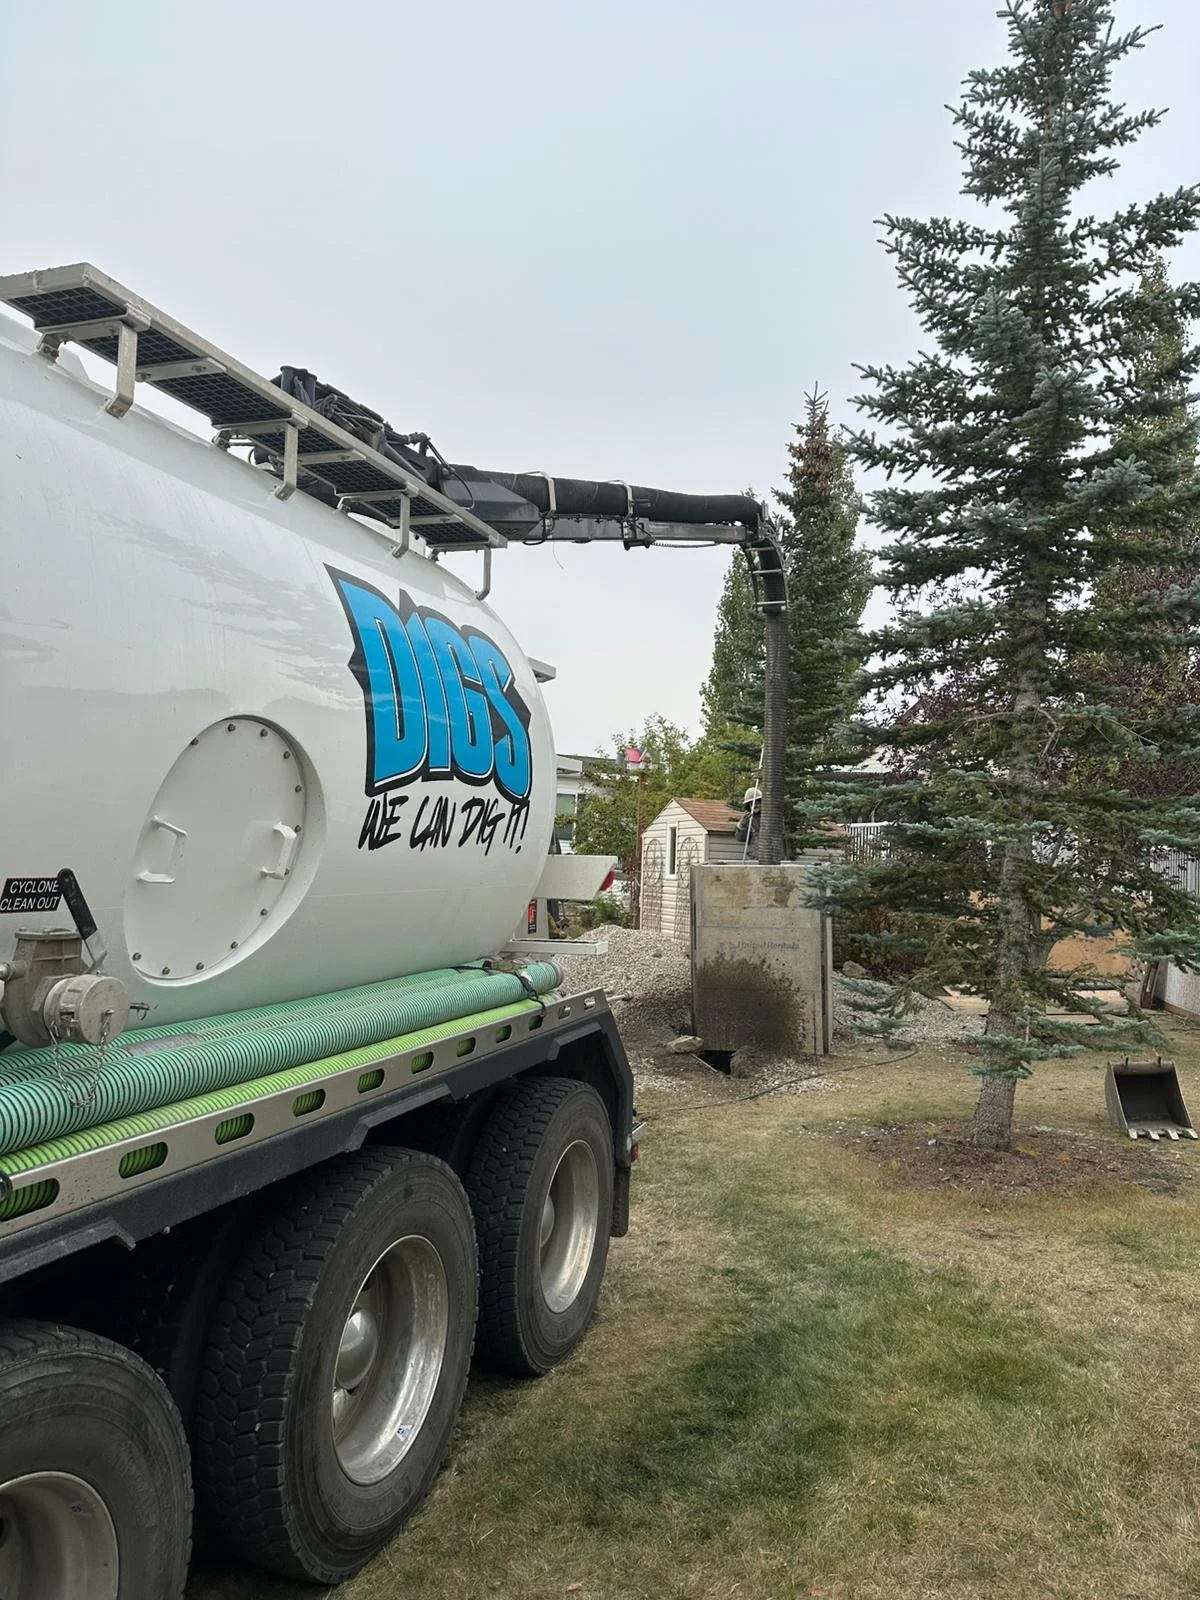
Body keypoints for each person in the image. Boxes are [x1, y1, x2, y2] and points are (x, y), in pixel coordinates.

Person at [735, 785, 762, 860]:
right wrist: (741, 825)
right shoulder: (747, 819)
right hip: (753, 857)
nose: (755, 805)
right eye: (752, 804)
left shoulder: (769, 817)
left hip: (769, 856)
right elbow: (740, 838)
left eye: (757, 802)